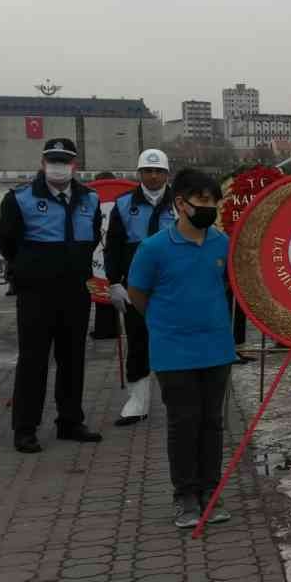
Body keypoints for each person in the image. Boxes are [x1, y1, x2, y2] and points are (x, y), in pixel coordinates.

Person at [127, 168, 238, 528]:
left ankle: (210, 491)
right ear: (181, 203)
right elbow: (138, 295)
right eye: (202, 201)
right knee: (183, 422)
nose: (209, 208)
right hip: (173, 350)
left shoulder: (223, 244)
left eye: (213, 202)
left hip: (217, 348)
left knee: (212, 422)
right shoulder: (154, 248)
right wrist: (165, 323)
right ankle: (185, 497)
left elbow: (226, 286)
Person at [0, 137, 105, 454]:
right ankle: (25, 428)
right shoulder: (20, 198)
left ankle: (70, 422)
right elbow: (6, 241)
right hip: (37, 293)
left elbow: (93, 234)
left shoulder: (90, 199)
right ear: (43, 164)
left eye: (65, 161)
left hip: (75, 291)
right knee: (33, 360)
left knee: (73, 359)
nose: (59, 167)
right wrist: (31, 268)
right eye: (53, 161)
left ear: (75, 165)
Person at [105, 148, 175, 425]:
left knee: (173, 341)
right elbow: (113, 247)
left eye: (159, 171)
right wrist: (113, 283)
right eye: (148, 171)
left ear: (167, 174)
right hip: (136, 287)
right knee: (138, 341)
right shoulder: (123, 205)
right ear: (139, 173)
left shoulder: (180, 203)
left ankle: (176, 397)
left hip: (172, 286)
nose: (153, 176)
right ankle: (138, 401)